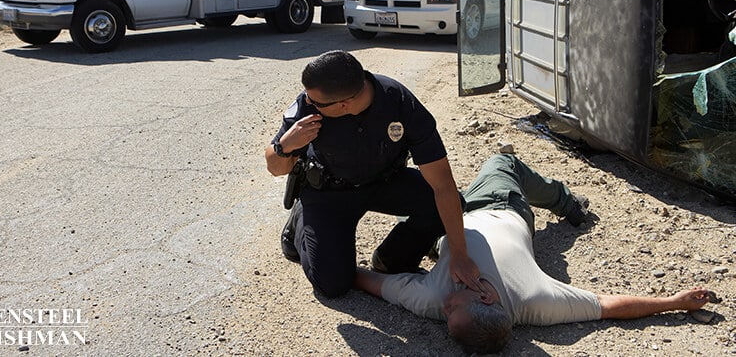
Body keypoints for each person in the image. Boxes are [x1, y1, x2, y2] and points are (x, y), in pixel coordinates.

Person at [355, 154, 712, 355]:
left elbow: (365, 280)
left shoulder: (434, 300)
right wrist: (673, 302)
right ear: (487, 296)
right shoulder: (537, 301)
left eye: (446, 315)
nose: (445, 305)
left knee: (411, 208)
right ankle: (568, 202)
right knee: (501, 162)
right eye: (455, 308)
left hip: (446, 225)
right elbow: (608, 305)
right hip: (499, 204)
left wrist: (328, 266)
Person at [265, 50, 485, 298]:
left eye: (315, 101)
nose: (307, 101)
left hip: (383, 182)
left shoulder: (400, 103)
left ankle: (391, 259)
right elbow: (275, 168)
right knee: (334, 285)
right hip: (328, 193)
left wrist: (460, 255)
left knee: (448, 204)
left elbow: (442, 184)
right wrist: (285, 146)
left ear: (344, 104)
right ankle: (300, 221)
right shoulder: (308, 106)